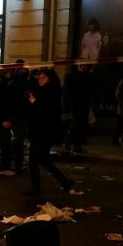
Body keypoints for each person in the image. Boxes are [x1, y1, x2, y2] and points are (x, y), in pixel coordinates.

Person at [27, 68, 82, 197]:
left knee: (34, 159)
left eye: (44, 78)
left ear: (50, 80)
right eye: (39, 77)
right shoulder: (41, 90)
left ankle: (36, 189)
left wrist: (34, 102)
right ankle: (66, 182)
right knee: (43, 159)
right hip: (40, 131)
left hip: (44, 132)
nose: (40, 80)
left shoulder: (51, 92)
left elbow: (45, 112)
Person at [63, 64, 99, 153]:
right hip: (76, 103)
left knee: (81, 124)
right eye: (81, 65)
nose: (83, 67)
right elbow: (68, 87)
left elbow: (95, 90)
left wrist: (94, 101)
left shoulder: (90, 77)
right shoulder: (74, 76)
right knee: (77, 123)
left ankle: (76, 144)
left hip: (84, 103)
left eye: (85, 65)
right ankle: (69, 142)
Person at [9, 60, 31, 171]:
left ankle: (17, 161)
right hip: (17, 114)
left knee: (20, 139)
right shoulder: (15, 82)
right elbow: (14, 99)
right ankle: (15, 160)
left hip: (23, 114)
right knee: (19, 138)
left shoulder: (24, 80)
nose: (25, 69)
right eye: (23, 68)